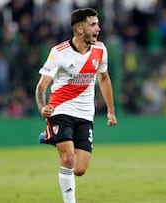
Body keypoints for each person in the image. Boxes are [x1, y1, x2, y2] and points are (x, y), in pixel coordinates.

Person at [35, 8, 117, 203]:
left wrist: (111, 111)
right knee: (68, 159)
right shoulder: (59, 53)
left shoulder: (100, 50)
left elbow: (104, 78)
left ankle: (50, 135)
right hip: (60, 109)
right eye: (93, 24)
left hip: (85, 114)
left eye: (97, 23)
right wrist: (42, 107)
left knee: (79, 169)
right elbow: (42, 86)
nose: (99, 28)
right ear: (79, 30)